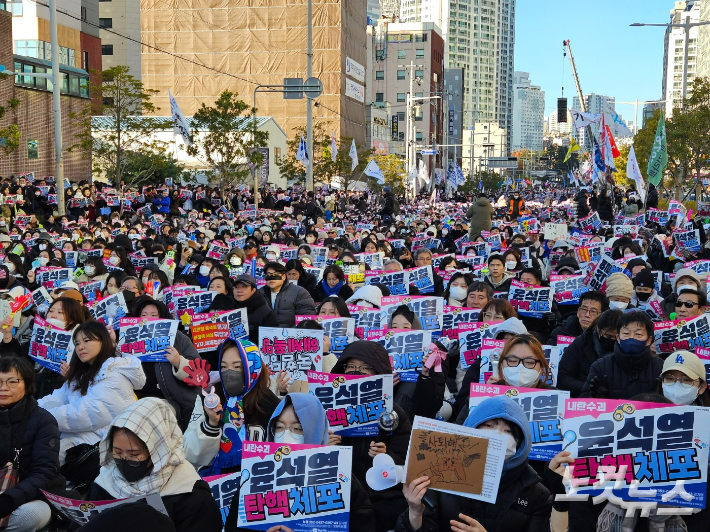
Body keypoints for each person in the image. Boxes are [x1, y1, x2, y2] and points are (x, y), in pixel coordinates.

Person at [224, 393, 377, 531]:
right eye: (279, 427)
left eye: (297, 429)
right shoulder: (254, 479)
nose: (286, 434)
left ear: (315, 430)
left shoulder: (343, 481)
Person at [398, 396, 552, 532]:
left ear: (521, 442)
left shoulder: (537, 495)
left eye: (508, 431)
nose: (497, 435)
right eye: (489, 426)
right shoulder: (440, 473)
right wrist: (415, 514)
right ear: (472, 428)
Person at [85, 398, 222, 532]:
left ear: (158, 450)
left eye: (134, 454)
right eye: (117, 451)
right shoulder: (105, 482)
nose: (124, 460)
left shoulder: (189, 494)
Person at [330, 341, 412, 532]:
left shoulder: (394, 414)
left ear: (379, 374)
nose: (356, 373)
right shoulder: (324, 408)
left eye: (365, 368)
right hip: (334, 492)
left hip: (378, 495)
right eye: (350, 366)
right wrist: (323, 446)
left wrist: (386, 455)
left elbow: (407, 467)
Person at [38, 321, 146, 465]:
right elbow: (59, 396)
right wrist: (33, 408)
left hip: (105, 443)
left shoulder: (114, 373)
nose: (80, 347)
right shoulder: (82, 374)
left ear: (103, 340)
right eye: (76, 343)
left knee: (45, 454)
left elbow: (85, 414)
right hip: (81, 436)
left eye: (87, 340)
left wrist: (41, 417)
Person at [183, 338, 280, 474]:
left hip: (257, 480)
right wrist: (211, 424)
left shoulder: (272, 405)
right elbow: (190, 454)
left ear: (253, 368)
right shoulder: (209, 398)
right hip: (216, 483)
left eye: (237, 367)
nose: (229, 373)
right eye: (224, 367)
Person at [0, 357, 64, 532]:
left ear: (27, 385)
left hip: (27, 496)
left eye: (12, 381)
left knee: (33, 515)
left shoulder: (43, 420)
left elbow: (44, 473)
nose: (3, 387)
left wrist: (7, 501)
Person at [130, 297, 202, 430]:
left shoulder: (179, 338)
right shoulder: (129, 339)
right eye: (143, 315)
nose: (148, 319)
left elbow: (200, 374)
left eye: (153, 315)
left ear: (162, 317)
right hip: (135, 402)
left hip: (172, 404)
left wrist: (179, 362)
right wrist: (112, 344)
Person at [581, 311, 663, 399]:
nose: (631, 338)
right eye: (626, 333)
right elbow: (584, 402)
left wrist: (659, 398)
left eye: (638, 334)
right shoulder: (600, 367)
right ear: (618, 338)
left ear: (648, 340)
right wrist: (600, 399)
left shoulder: (661, 367)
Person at [557, 309, 623, 397]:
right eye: (608, 336)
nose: (612, 340)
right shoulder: (582, 342)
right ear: (598, 329)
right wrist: (590, 388)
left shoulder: (628, 347)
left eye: (617, 338)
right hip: (583, 399)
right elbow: (563, 377)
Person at [260, 262, 317, 327]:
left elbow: (307, 318)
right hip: (265, 335)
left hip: (291, 335)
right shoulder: (259, 293)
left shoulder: (300, 292)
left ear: (284, 277)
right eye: (269, 275)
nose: (272, 278)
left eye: (275, 274)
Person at [232, 274, 279, 344]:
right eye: (236, 287)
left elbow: (272, 340)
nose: (239, 290)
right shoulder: (227, 309)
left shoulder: (265, 312)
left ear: (253, 290)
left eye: (244, 287)